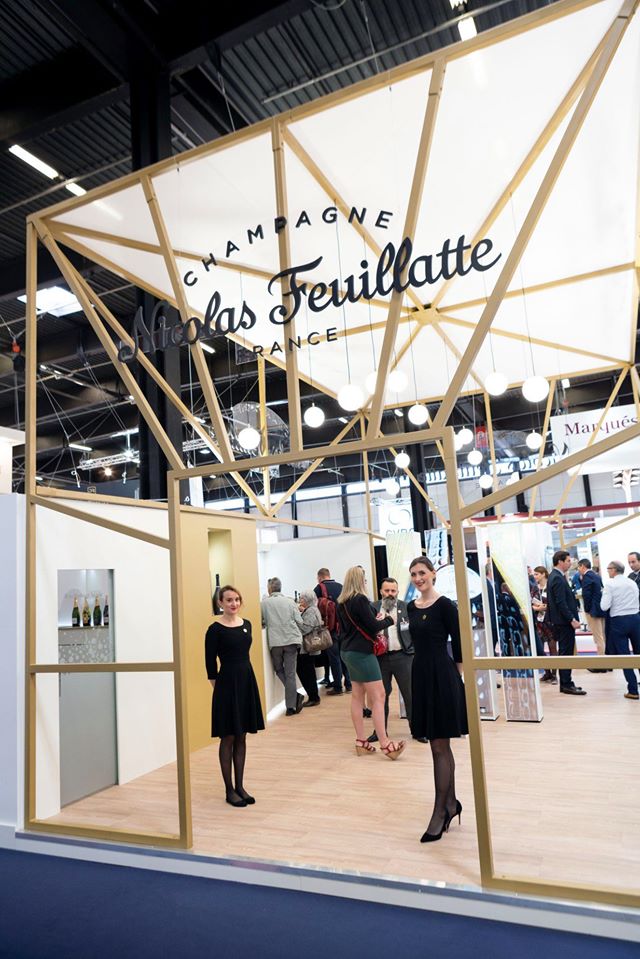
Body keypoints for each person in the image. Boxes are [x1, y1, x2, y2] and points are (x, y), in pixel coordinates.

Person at [405, 557, 466, 845]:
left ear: (433, 574)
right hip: (421, 676)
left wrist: (455, 679)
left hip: (442, 677)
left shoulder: (445, 606)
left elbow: (460, 645)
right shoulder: (411, 607)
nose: (418, 578)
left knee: (440, 746)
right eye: (413, 574)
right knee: (438, 745)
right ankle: (450, 804)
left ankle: (440, 811)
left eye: (422, 573)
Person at [205, 585, 265, 807]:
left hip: (246, 680)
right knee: (228, 736)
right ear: (220, 603)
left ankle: (240, 786)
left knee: (242, 736)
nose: (234, 603)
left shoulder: (247, 624)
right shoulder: (215, 629)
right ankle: (229, 790)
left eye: (237, 599)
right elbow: (210, 664)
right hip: (226, 684)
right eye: (229, 600)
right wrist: (220, 688)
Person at [336, 566, 404, 759]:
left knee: (357, 696)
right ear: (360, 581)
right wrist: (389, 620)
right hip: (362, 653)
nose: (366, 582)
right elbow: (373, 626)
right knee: (379, 696)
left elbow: (357, 625)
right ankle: (385, 744)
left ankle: (361, 741)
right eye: (364, 579)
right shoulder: (360, 599)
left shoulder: (341, 602)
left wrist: (376, 619)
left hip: (347, 651)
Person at [367, 577, 418, 743]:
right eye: (387, 590)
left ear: (397, 592)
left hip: (403, 656)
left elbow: (414, 630)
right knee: (380, 696)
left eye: (393, 591)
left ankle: (417, 730)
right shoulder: (372, 608)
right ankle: (379, 731)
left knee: (410, 694)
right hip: (380, 659)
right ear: (381, 591)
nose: (390, 594)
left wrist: (412, 649)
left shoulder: (406, 607)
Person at [261, 577, 304, 716]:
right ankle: (291, 706)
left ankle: (293, 699)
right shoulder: (290, 602)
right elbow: (299, 620)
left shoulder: (264, 604)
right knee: (290, 674)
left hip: (276, 642)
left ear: (269, 589)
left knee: (278, 669)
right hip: (291, 639)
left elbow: (261, 621)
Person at [547, 550, 586, 696]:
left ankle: (566, 683)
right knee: (565, 653)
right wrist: (572, 619)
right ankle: (566, 684)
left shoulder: (556, 576)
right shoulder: (557, 578)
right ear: (560, 561)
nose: (570, 563)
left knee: (565, 652)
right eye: (568, 561)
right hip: (564, 623)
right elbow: (561, 602)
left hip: (561, 622)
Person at [600, 560, 640, 700]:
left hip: (619, 621)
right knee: (639, 653)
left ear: (614, 570)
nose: (607, 571)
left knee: (624, 657)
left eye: (608, 568)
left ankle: (633, 690)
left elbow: (604, 606)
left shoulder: (610, 584)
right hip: (636, 619)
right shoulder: (632, 582)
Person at [315, 568, 351, 695]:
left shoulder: (319, 588)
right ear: (329, 575)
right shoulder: (341, 587)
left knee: (334, 658)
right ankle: (349, 684)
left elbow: (314, 609)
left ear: (319, 577)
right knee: (344, 657)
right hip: (344, 628)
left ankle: (337, 687)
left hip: (330, 629)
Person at [578, 558, 607, 673]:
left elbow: (586, 595)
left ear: (582, 566)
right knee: (602, 636)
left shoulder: (587, 577)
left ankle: (601, 664)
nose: (578, 570)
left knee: (598, 638)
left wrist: (587, 610)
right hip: (600, 609)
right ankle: (606, 662)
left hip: (593, 611)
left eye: (579, 567)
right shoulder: (596, 575)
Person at [531, 566, 558, 683]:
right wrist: (537, 608)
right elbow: (530, 603)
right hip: (538, 622)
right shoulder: (534, 588)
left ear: (543, 574)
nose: (535, 576)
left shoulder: (550, 586)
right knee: (540, 649)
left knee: (552, 647)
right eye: (534, 574)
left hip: (550, 621)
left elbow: (556, 602)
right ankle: (547, 672)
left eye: (537, 574)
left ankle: (554, 674)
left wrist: (546, 607)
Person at [297, 590, 323, 707]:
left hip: (307, 648)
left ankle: (313, 697)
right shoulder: (312, 609)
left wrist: (296, 621)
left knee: (307, 672)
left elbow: (305, 629)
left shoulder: (311, 611)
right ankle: (313, 696)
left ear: (307, 600)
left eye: (302, 598)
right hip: (309, 647)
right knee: (308, 672)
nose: (300, 600)